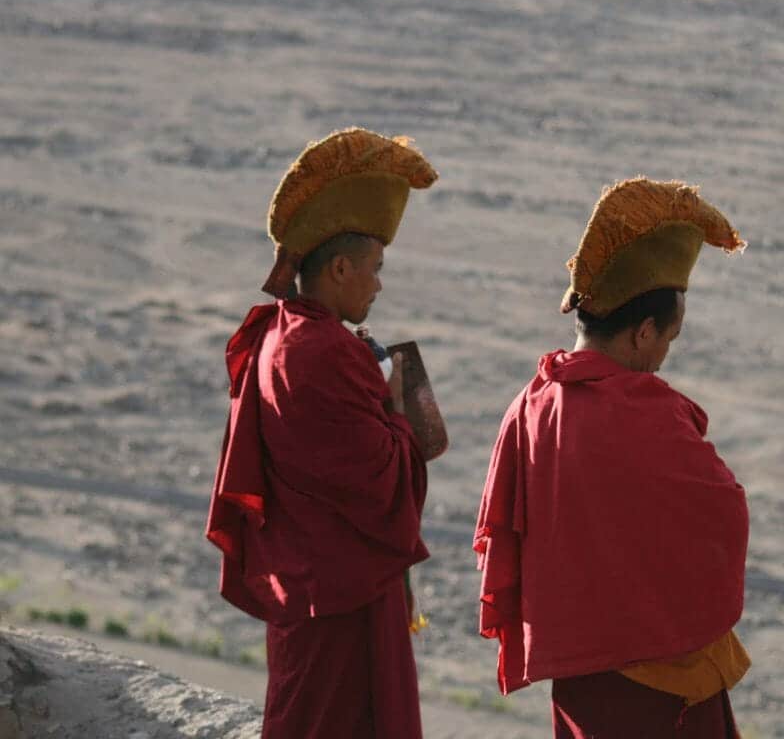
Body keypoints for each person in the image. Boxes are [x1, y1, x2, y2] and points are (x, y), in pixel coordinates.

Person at [474, 178, 750, 738]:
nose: (663, 356)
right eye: (667, 340)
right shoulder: (646, 412)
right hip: (660, 679)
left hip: (579, 676)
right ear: (643, 331)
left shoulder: (531, 404)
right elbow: (722, 515)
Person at [206, 127, 438, 738]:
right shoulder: (324, 351)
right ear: (339, 268)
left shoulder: (287, 333)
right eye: (375, 269)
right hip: (337, 601)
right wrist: (396, 403)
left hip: (317, 589)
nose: (379, 284)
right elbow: (382, 479)